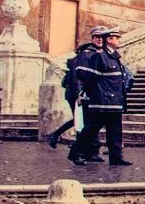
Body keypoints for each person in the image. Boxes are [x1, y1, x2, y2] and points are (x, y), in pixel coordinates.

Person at [68, 28, 133, 166]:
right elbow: (88, 77)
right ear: (109, 40)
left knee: (115, 132)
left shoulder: (114, 56)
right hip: (102, 102)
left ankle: (116, 157)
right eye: (117, 38)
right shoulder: (100, 56)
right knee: (91, 130)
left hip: (115, 102)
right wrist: (89, 94)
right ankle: (75, 153)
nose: (119, 40)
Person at [48, 39, 97, 149]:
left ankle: (55, 135)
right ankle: (80, 145)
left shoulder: (77, 61)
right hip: (76, 94)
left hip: (73, 93)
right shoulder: (79, 61)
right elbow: (76, 80)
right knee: (81, 120)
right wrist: (79, 95)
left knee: (80, 119)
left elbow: (66, 82)